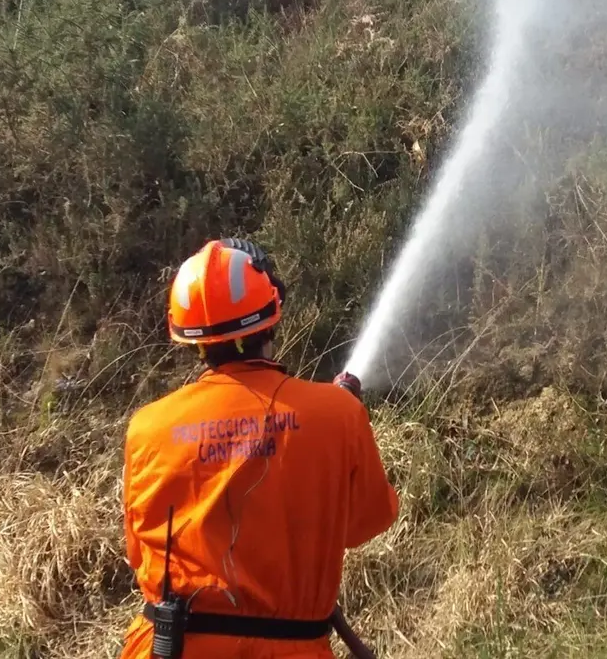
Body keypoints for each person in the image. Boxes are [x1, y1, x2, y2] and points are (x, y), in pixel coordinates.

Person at [118, 238, 399, 659]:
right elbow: (367, 523)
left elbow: (140, 553)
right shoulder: (337, 414)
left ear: (190, 338)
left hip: (167, 647)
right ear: (272, 314)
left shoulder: (147, 429)